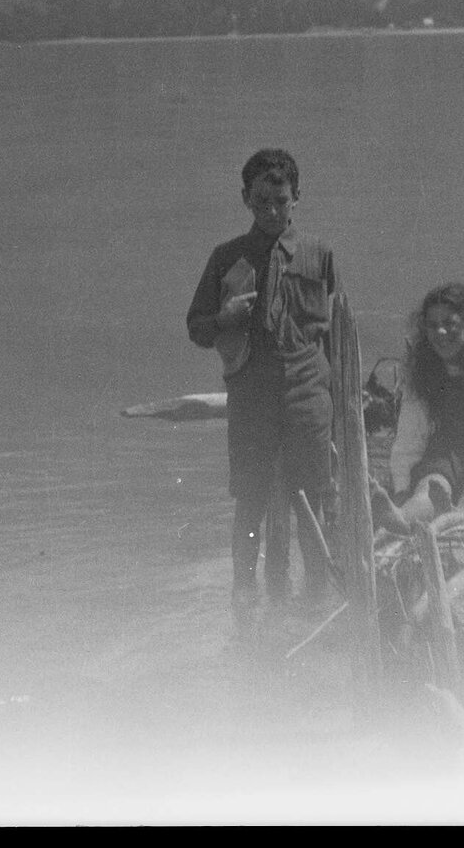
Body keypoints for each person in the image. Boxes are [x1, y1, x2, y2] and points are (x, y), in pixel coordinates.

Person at [186, 149, 343, 632]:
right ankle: (244, 598)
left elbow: (336, 336)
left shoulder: (319, 255)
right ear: (245, 201)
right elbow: (196, 328)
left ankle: (315, 597)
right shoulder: (226, 257)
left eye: (279, 200)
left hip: (307, 393)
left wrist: (337, 401)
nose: (271, 211)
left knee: (310, 498)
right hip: (252, 396)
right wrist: (225, 319)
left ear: (296, 197)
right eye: (260, 202)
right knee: (250, 499)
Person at [371, 282, 464, 533]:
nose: (440, 332)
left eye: (450, 324)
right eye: (432, 326)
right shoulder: (422, 370)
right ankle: (402, 516)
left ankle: (453, 520)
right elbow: (410, 434)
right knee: (429, 488)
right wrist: (400, 488)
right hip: (441, 456)